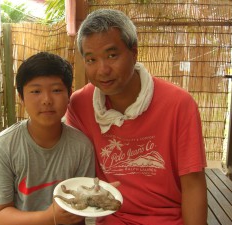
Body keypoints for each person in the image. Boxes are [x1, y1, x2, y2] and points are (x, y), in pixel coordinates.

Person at [66, 9, 207, 225]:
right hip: (113, 218)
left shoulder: (179, 104)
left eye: (112, 55)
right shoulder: (79, 105)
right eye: (91, 59)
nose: (102, 69)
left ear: (134, 52)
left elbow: (193, 184)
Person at [0, 52, 95, 225]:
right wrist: (49, 217)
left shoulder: (81, 146)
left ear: (69, 94)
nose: (46, 100)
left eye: (56, 90)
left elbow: (83, 208)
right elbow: (0, 215)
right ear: (21, 97)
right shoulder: (2, 147)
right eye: (36, 91)